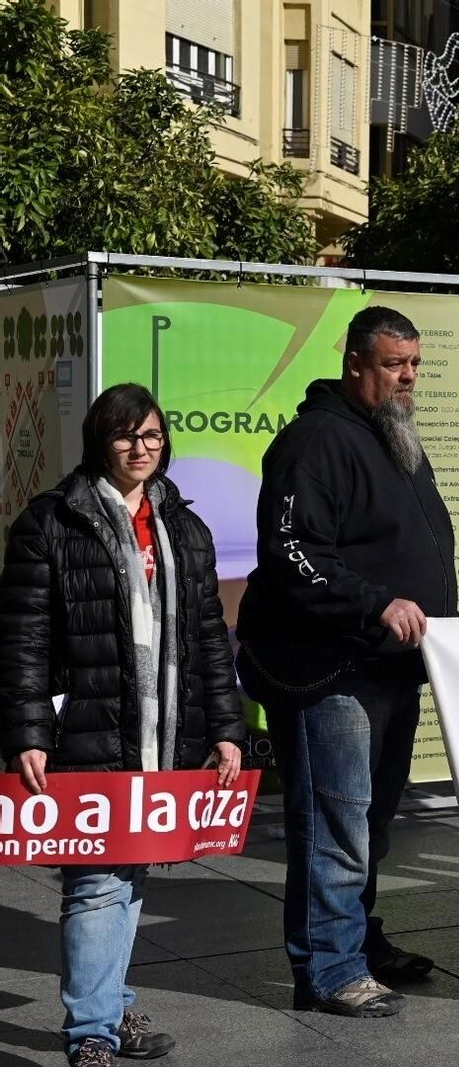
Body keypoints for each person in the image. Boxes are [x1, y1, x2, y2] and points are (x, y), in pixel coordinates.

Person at [0, 384, 245, 1067]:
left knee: (129, 874)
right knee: (98, 878)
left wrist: (226, 727)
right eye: (127, 436)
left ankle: (110, 1001)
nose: (142, 449)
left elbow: (208, 637)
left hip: (160, 737)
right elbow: (20, 639)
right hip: (83, 730)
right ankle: (93, 1033)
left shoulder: (182, 527)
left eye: (153, 436)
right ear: (99, 440)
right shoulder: (50, 522)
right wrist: (26, 732)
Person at [236, 307, 457, 1017]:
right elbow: (294, 552)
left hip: (392, 670)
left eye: (415, 364)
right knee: (334, 824)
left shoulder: (391, 438)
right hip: (333, 670)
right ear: (356, 362)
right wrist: (374, 605)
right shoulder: (315, 440)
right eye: (396, 364)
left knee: (371, 824)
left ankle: (358, 940)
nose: (409, 377)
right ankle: (329, 968)